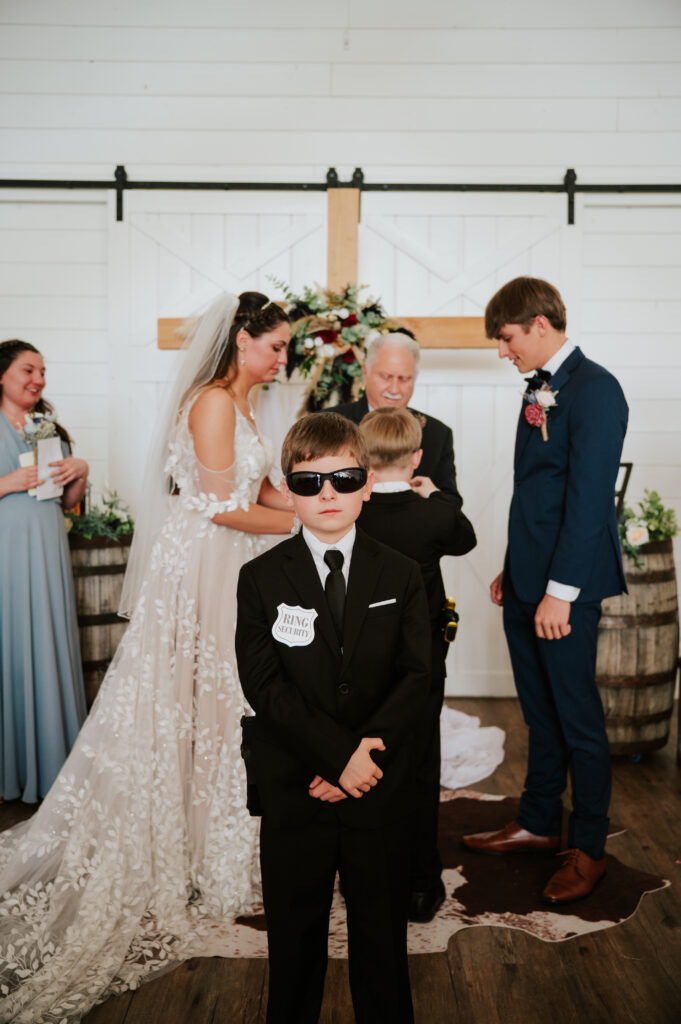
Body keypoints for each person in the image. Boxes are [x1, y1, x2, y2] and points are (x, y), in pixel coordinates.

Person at [0, 292, 295, 1023]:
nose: (282, 358)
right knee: (204, 699)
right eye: (275, 346)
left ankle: (214, 846)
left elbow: (256, 485)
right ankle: (186, 856)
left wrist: (308, 497)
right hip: (204, 569)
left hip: (234, 565)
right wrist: (309, 522)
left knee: (229, 704)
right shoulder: (214, 405)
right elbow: (219, 508)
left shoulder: (247, 403)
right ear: (241, 342)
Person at [235, 411, 431, 1024]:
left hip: (378, 785)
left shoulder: (400, 573)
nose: (327, 494)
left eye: (344, 479)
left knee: (381, 940)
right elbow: (265, 685)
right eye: (309, 480)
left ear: (367, 484)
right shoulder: (260, 578)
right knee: (294, 944)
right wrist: (333, 756)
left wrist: (361, 754)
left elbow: (418, 676)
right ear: (286, 489)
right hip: (298, 789)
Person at [463, 277, 628, 904]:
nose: (503, 351)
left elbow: (589, 504)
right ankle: (536, 823)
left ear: (538, 323)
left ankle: (588, 848)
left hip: (567, 588)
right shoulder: (540, 389)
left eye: (506, 339)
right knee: (538, 712)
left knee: (577, 718)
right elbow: (537, 493)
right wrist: (517, 567)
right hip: (530, 578)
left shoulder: (596, 389)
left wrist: (559, 590)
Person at [357, 407, 477, 923]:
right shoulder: (436, 514)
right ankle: (421, 884)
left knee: (362, 761)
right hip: (420, 663)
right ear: (418, 457)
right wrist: (434, 493)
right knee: (420, 765)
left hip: (359, 662)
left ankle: (363, 876)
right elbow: (465, 539)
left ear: (362, 459)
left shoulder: (347, 511)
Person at [0, 339, 89, 804]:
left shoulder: (46, 426)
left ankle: (53, 765)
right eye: (27, 370)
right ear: (1, 375)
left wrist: (80, 470)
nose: (38, 380)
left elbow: (69, 501)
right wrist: (6, 483)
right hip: (5, 556)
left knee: (46, 641)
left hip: (49, 549)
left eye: (42, 372)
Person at [333, 331, 465, 509]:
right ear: (365, 373)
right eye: (386, 377)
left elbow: (453, 505)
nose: (394, 389)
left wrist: (433, 495)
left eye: (404, 379)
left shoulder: (437, 434)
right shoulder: (331, 424)